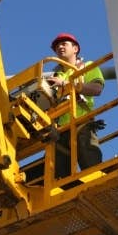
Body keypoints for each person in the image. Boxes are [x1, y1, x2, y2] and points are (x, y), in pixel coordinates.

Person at [46, 32, 105, 178]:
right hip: (59, 131)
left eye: (64, 44)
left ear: (75, 49)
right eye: (57, 46)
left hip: (81, 123)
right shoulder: (54, 76)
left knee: (91, 168)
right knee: (59, 179)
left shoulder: (87, 67)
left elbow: (97, 89)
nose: (60, 47)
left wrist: (67, 85)